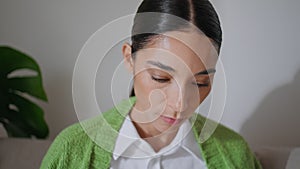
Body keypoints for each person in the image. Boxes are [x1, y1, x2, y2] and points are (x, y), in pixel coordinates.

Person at [41, 0, 262, 168]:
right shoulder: (70, 150)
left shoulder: (234, 153)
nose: (180, 103)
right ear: (129, 58)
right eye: (161, 77)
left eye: (200, 82)